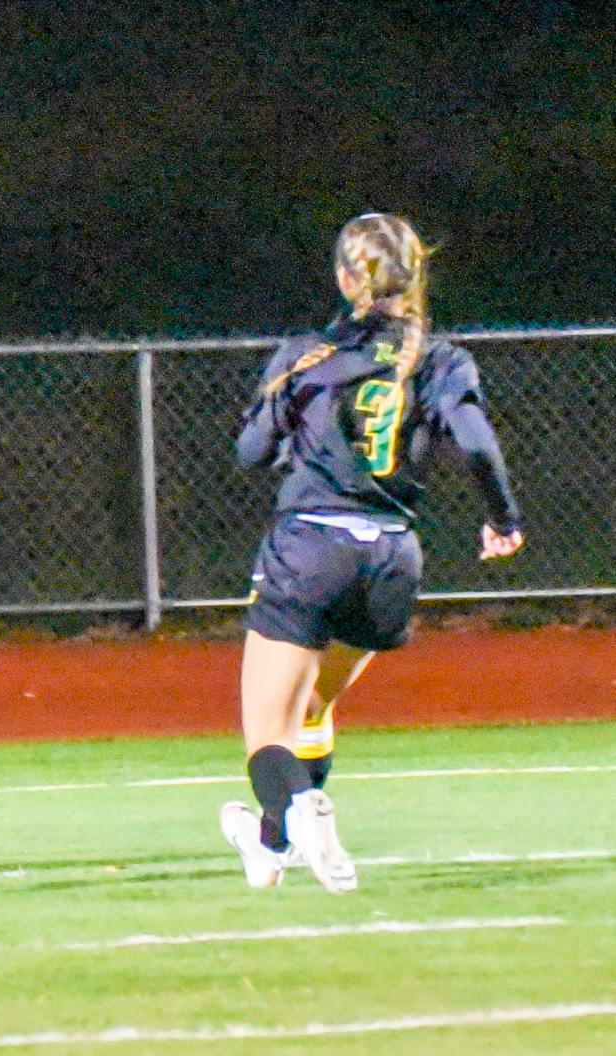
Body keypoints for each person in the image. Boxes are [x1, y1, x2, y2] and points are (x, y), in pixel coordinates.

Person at [221, 213, 524, 894]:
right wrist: (502, 517)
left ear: (344, 279)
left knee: (266, 735)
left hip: (310, 548)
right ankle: (269, 846)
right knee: (310, 711)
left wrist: (284, 417)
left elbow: (250, 453)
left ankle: (304, 810)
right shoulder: (438, 359)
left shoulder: (307, 355)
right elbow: (475, 441)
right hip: (390, 557)